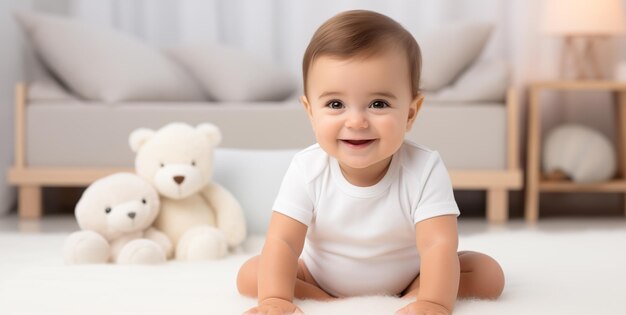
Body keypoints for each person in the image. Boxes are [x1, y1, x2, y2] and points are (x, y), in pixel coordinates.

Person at [237, 9, 505, 315]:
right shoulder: (306, 168)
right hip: (319, 278)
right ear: (311, 112)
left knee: (487, 274)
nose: (356, 121)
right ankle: (335, 303)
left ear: (410, 113)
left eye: (378, 104)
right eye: (335, 104)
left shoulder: (424, 167)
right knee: (251, 274)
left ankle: (411, 299)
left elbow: (437, 245)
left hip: (410, 280)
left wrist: (433, 302)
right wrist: (275, 300)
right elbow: (283, 241)